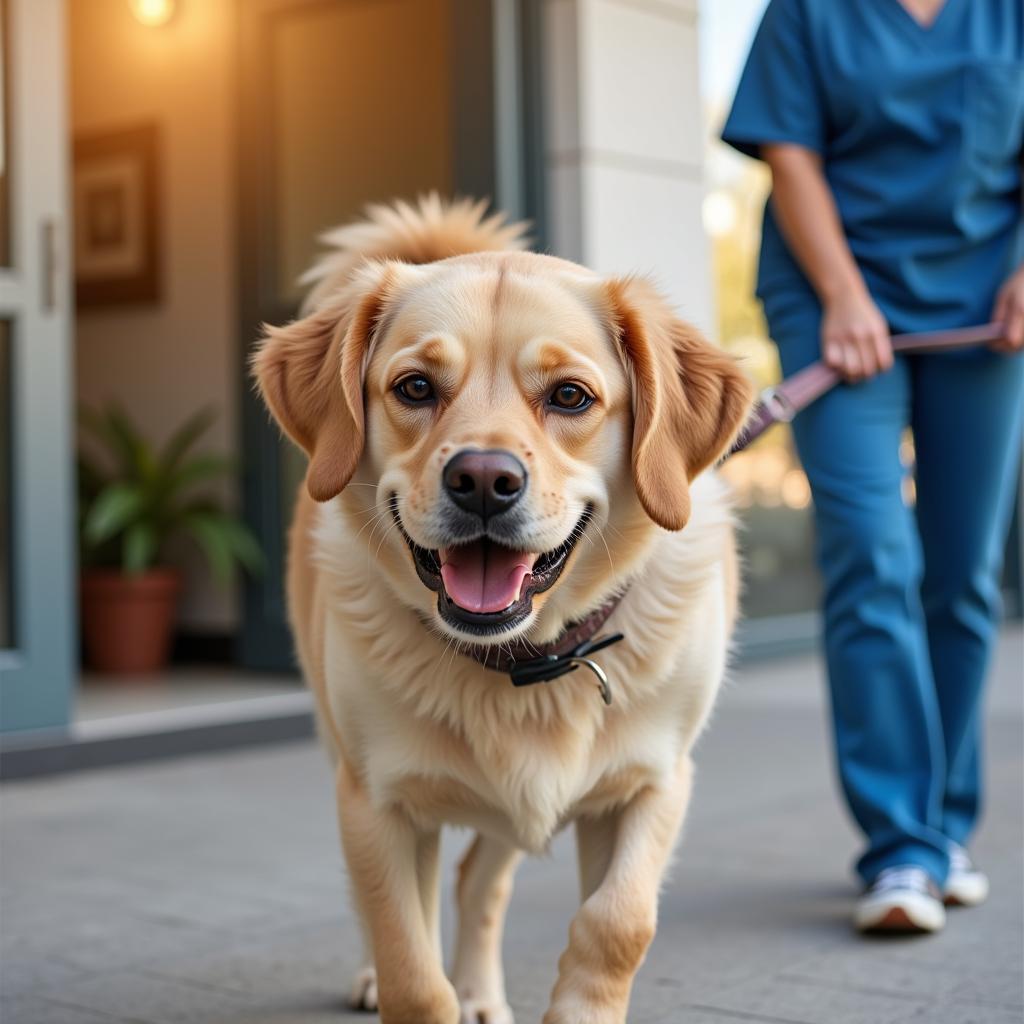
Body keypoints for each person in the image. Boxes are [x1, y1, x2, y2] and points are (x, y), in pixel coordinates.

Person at [722, 0, 1024, 933]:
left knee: (963, 575)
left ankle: (945, 826)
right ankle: (900, 850)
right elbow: (791, 154)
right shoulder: (808, 13)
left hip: (987, 304)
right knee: (871, 556)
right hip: (834, 297)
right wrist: (845, 297)